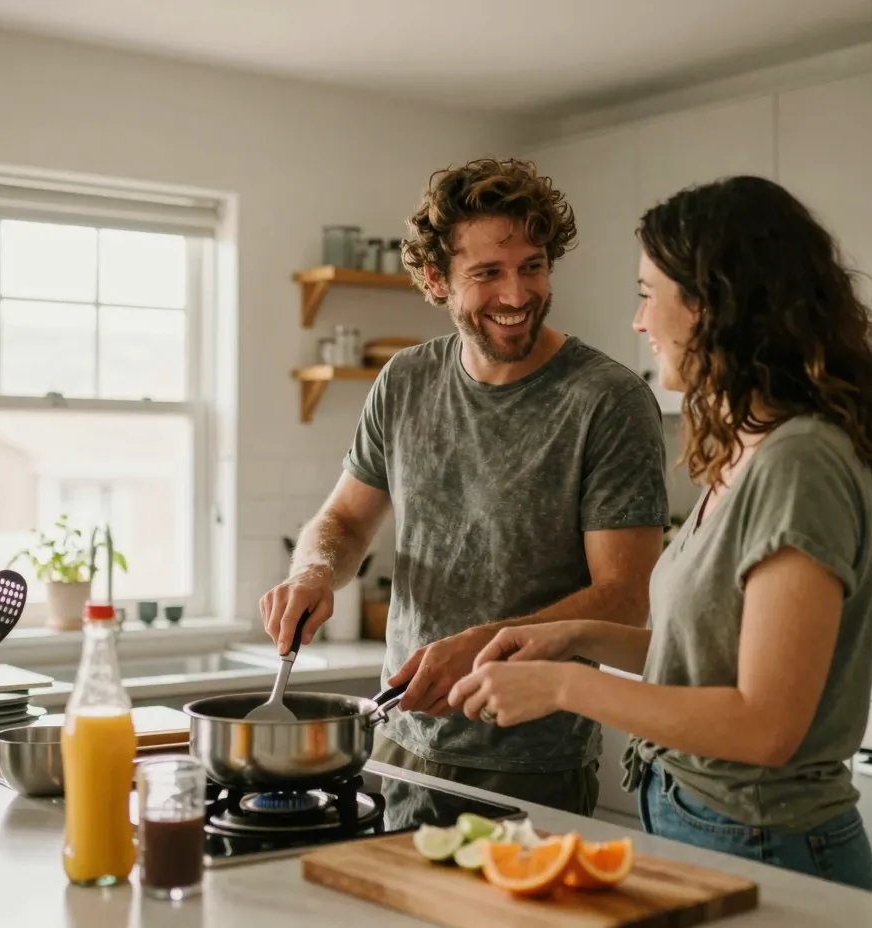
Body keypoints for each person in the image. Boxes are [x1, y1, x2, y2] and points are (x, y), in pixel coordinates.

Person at [448, 175, 872, 890]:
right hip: (706, 825)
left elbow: (765, 726)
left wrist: (563, 688)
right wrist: (572, 638)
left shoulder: (800, 463)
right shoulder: (749, 450)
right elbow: (706, 662)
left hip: (768, 842)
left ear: (712, 305)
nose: (639, 322)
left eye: (648, 294)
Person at [259, 157, 670, 817]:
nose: (517, 294)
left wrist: (480, 645)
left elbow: (623, 599)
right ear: (435, 279)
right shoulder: (405, 381)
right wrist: (313, 571)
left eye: (532, 266)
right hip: (398, 741)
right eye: (487, 273)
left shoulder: (607, 400)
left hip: (531, 763)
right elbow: (346, 522)